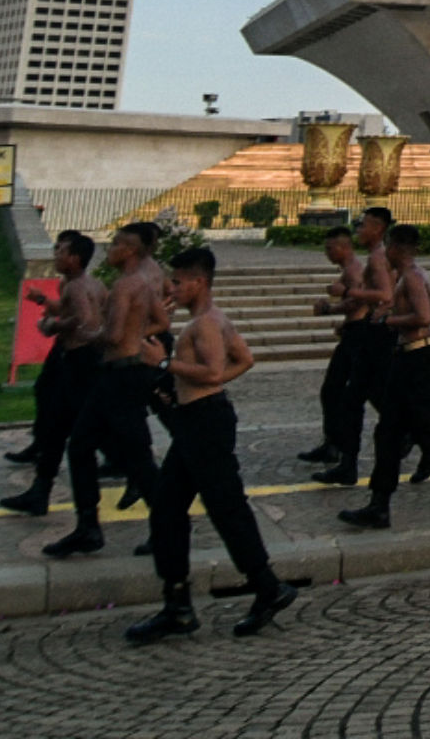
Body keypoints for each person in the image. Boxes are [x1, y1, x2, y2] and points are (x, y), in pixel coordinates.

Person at [124, 246, 294, 643]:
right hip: (198, 420)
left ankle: (267, 588)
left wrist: (164, 365)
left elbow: (214, 370)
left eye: (179, 281)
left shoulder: (203, 325)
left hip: (204, 425)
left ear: (199, 282)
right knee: (168, 509)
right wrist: (199, 391)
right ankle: (178, 605)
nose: (173, 287)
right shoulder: (213, 320)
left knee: (225, 507)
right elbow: (245, 360)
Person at [337, 223, 430, 530]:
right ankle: (379, 505)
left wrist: (389, 319)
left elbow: (422, 316)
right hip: (406, 358)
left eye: (387, 246)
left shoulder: (412, 277)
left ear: (395, 247)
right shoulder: (417, 275)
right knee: (389, 432)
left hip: (418, 359)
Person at [44, 221, 168, 559]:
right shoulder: (142, 283)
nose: (109, 249)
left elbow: (111, 336)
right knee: (84, 445)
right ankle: (88, 527)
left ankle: (164, 527)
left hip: (120, 375)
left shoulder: (125, 286)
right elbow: (162, 321)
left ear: (129, 250)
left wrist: (86, 333)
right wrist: (137, 335)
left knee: (136, 457)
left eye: (115, 243)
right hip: (123, 373)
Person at [0, 229, 105, 518]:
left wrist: (53, 327)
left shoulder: (76, 286)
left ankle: (139, 481)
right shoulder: (85, 284)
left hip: (80, 362)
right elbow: (78, 312)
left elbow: (83, 320)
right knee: (58, 427)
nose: (55, 255)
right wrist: (44, 302)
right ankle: (40, 491)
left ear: (74, 258)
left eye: (60, 251)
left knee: (85, 431)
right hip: (80, 361)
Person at [309, 208, 394, 486]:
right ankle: (343, 456)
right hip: (362, 331)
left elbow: (383, 296)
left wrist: (343, 298)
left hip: (366, 334)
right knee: (350, 394)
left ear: (378, 228)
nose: (359, 230)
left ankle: (414, 435)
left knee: (358, 394)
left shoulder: (375, 260)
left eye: (363, 226)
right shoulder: (372, 259)